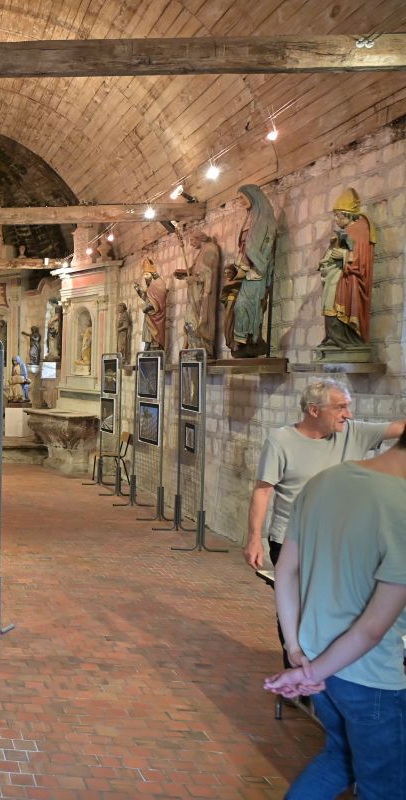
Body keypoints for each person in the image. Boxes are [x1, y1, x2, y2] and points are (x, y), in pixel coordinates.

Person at [263, 427, 406, 799]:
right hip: (368, 677)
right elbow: (372, 629)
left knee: (341, 758)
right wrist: (309, 673)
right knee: (385, 787)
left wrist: (297, 652)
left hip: (317, 662)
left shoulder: (325, 481)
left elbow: (286, 571)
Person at [244, 379, 403, 570]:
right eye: (340, 407)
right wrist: (254, 538)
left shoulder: (354, 432)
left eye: (347, 406)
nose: (348, 414)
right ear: (314, 410)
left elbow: (400, 428)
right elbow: (262, 492)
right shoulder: (280, 441)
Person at [319, 187, 376, 349]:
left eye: (339, 216)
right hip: (339, 277)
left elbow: (362, 259)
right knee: (331, 305)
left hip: (350, 280)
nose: (336, 219)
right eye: (335, 215)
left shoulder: (359, 230)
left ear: (348, 214)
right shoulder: (347, 231)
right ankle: (334, 338)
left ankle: (344, 339)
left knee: (339, 307)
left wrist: (343, 255)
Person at [226, 184, 277, 358]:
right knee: (238, 306)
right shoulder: (250, 218)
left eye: (242, 197)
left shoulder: (265, 220)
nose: (240, 202)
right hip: (246, 271)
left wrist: (254, 263)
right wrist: (237, 266)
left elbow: (265, 247)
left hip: (257, 272)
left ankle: (252, 340)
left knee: (247, 305)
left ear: (252, 196)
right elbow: (244, 248)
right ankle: (243, 342)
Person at [134, 259, 167, 351]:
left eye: (147, 274)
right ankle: (147, 351)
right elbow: (145, 298)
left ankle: (152, 351)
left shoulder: (158, 284)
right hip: (149, 316)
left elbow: (160, 300)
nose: (145, 277)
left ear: (152, 274)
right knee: (147, 336)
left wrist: (150, 307)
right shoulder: (150, 287)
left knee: (153, 337)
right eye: (144, 275)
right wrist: (138, 289)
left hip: (155, 316)